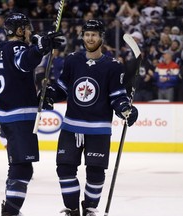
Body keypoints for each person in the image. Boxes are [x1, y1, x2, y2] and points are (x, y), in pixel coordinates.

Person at [42, 20, 138, 216]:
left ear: (101, 37)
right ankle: (72, 210)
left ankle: (90, 209)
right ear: (82, 36)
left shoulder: (112, 66)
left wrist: (125, 109)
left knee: (95, 173)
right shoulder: (72, 60)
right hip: (71, 127)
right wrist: (49, 94)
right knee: (64, 168)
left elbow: (117, 96)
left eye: (94, 34)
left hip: (98, 129)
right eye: (87, 34)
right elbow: (63, 88)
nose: (90, 38)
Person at [0, 12, 62, 216]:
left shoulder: (1, 48)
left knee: (17, 165)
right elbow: (24, 62)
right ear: (20, 30)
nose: (30, 31)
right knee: (22, 169)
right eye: (27, 28)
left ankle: (10, 209)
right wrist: (40, 48)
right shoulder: (17, 47)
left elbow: (6, 80)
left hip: (7, 113)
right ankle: (10, 212)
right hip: (19, 116)